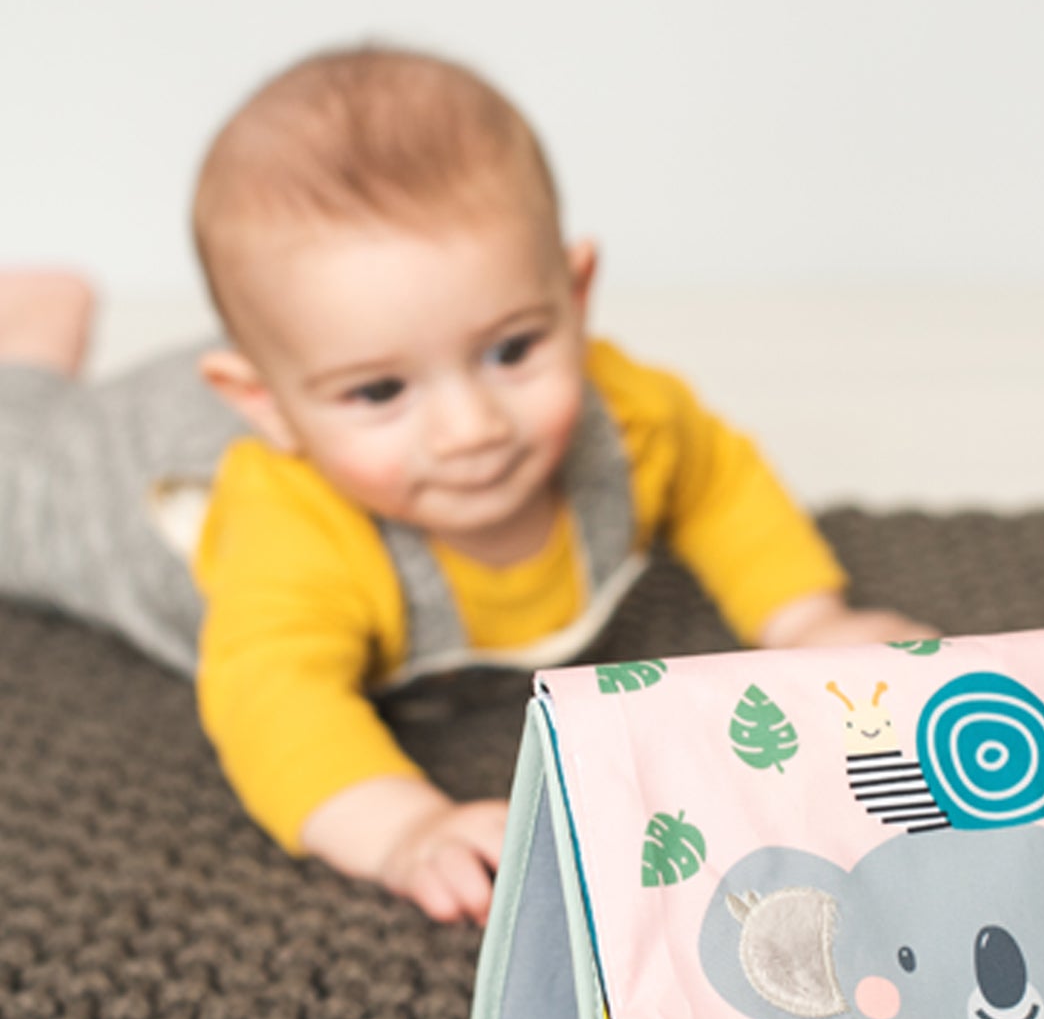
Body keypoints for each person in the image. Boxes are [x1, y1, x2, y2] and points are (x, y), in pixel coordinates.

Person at [0, 45, 935, 924]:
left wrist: (807, 617)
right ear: (267, 405)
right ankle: (27, 352)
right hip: (124, 484)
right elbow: (271, 700)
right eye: (380, 391)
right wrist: (402, 826)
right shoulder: (293, 538)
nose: (472, 428)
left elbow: (716, 480)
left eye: (510, 349)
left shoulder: (626, 420)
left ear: (574, 293)